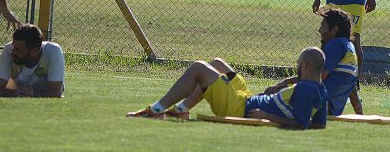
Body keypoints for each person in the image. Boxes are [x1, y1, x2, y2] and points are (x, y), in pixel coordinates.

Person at [127, 47, 328, 129]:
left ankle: (156, 110)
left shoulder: (305, 89)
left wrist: (266, 117)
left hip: (239, 108)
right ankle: (181, 110)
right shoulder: (320, 90)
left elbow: (301, 123)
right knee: (217, 63)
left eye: (298, 64)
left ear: (304, 66)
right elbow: (319, 125)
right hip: (246, 98)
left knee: (199, 67)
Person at [264, 7, 358, 116]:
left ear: (334, 30)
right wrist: (361, 116)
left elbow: (318, 77)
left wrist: (286, 82)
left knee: (268, 94)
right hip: (330, 110)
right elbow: (352, 89)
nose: (319, 30)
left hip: (317, 104)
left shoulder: (336, 45)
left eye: (323, 26)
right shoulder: (350, 48)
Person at [0, 24, 65, 98]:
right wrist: (14, 92)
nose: (12, 52)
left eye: (18, 49)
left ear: (34, 51)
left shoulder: (53, 52)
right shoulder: (8, 49)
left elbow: (56, 92)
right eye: (13, 47)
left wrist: (33, 94)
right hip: (13, 86)